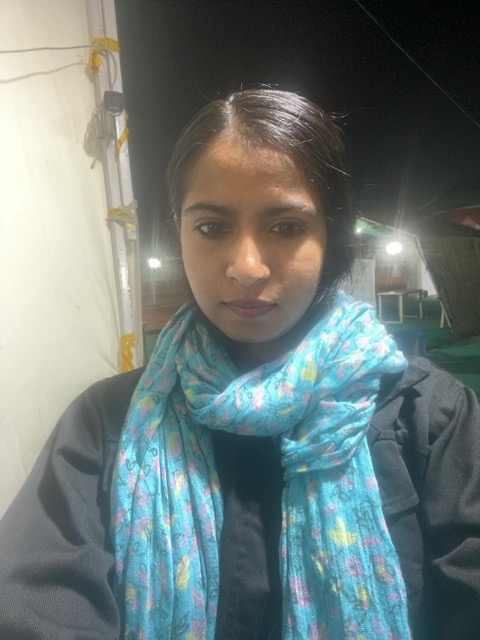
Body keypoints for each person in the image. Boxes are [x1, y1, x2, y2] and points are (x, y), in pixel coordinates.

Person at [1, 89, 480, 640]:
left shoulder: (429, 417)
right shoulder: (105, 425)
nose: (247, 267)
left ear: (331, 238)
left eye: (287, 227)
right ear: (179, 230)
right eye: (211, 227)